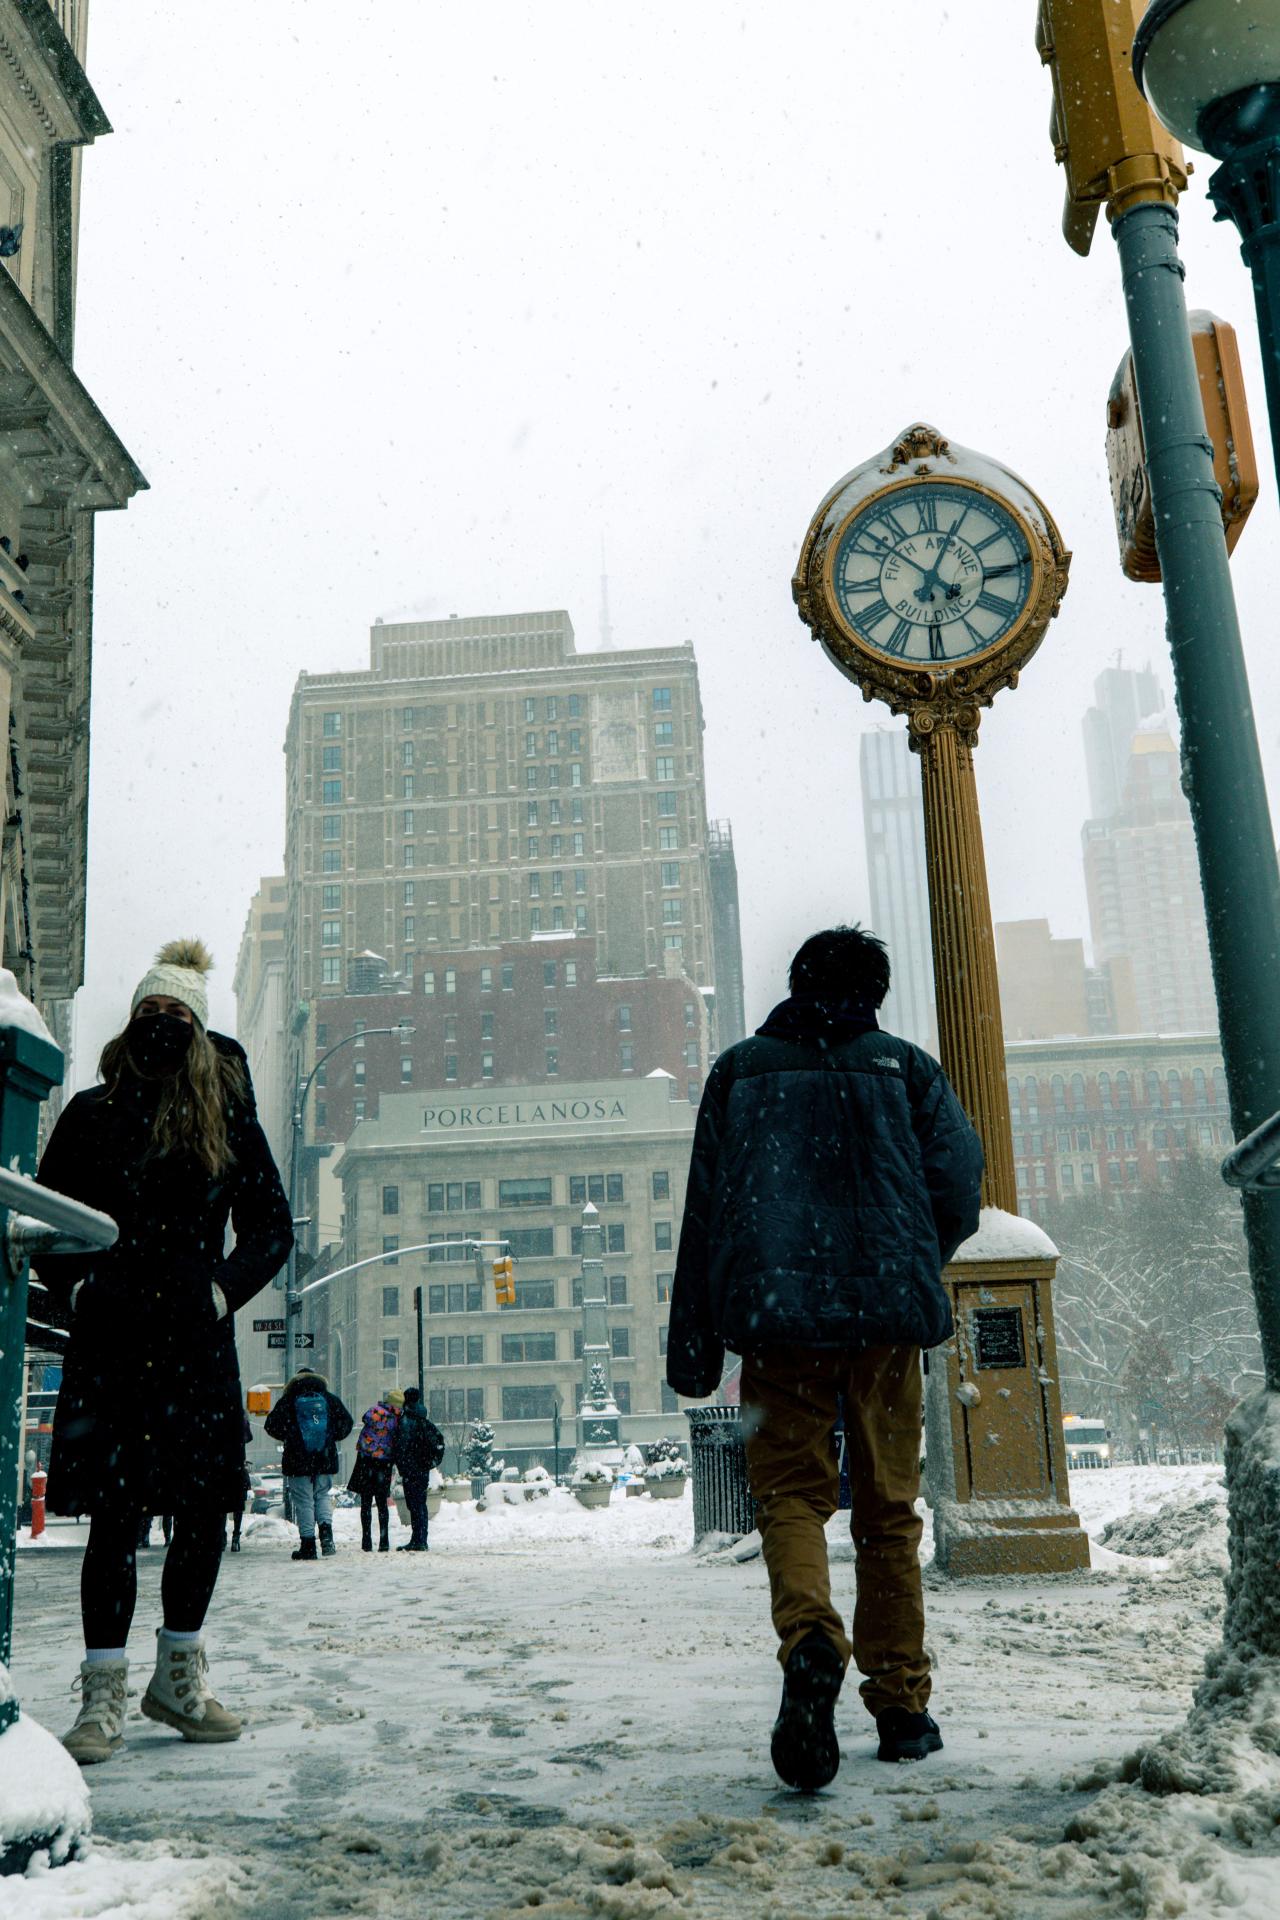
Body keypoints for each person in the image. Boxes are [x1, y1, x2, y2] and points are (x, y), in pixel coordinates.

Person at [665, 925, 983, 1790]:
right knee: (889, 1511)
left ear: (797, 983)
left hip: (778, 1321)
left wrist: (693, 1345)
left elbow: (705, 1212)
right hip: (883, 1322)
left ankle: (811, 1638)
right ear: (873, 994)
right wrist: (910, 1254)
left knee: (791, 1500)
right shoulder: (906, 1070)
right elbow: (960, 1186)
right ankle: (903, 1709)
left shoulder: (740, 1073)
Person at [34, 939, 294, 1766]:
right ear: (130, 1023)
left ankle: (177, 1679)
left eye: (177, 1015)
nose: (161, 1025)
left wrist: (219, 1293)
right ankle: (102, 1693)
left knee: (202, 1513)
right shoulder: (88, 1114)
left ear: (200, 1029)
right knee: (115, 1519)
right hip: (111, 1347)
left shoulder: (229, 1118)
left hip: (194, 1345)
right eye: (149, 1012)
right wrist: (76, 1293)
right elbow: (45, 1224)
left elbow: (271, 1230)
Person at [264, 1368, 353, 1560]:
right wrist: (330, 1437)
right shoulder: (329, 1399)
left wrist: (290, 1437)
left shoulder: (289, 1400)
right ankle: (327, 1537)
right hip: (324, 1456)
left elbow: (271, 1425)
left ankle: (308, 1544)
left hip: (297, 1458)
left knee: (304, 1501)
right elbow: (347, 1423)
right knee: (322, 1496)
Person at [348, 1389, 404, 1553]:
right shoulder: (397, 1419)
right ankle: (384, 1540)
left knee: (366, 1502)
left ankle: (366, 1540)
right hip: (383, 1463)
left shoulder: (374, 1411)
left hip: (366, 1460)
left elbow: (365, 1419)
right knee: (381, 1503)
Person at [393, 1387, 445, 1552]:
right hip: (421, 1469)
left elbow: (401, 1445)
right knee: (420, 1504)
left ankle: (418, 1539)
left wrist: (402, 1463)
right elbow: (439, 1443)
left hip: (411, 1469)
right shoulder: (424, 1421)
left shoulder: (407, 1421)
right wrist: (430, 1462)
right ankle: (420, 1538)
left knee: (414, 1504)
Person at [227, 1410, 253, 1553]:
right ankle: (236, 1537)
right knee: (238, 1503)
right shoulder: (239, 1415)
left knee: (220, 1504)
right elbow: (249, 1437)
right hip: (237, 1465)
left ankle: (222, 1535)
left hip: (219, 1466)